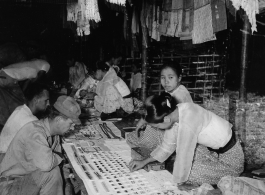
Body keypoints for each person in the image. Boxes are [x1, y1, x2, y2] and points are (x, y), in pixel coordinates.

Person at [129, 93, 244, 190]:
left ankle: (228, 175)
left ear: (165, 119)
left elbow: (184, 156)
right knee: (180, 162)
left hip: (230, 160)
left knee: (189, 173)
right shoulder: (176, 112)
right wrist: (144, 162)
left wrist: (181, 181)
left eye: (158, 126)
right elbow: (167, 147)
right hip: (212, 152)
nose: (158, 129)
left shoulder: (188, 121)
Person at [0, 95, 81, 195]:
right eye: (71, 123)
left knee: (74, 180)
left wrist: (67, 179)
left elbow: (58, 163)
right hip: (9, 185)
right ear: (59, 119)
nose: (72, 128)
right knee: (53, 173)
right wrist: (60, 157)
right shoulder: (35, 133)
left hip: (27, 178)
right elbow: (46, 165)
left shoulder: (53, 134)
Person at [127, 63, 193, 151]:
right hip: (172, 126)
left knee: (152, 127)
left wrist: (148, 121)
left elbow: (169, 120)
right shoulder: (172, 90)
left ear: (179, 78)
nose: (166, 81)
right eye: (163, 77)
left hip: (181, 132)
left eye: (170, 77)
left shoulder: (180, 95)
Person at [0, 83, 50, 156]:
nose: (48, 104)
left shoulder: (20, 108)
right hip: (6, 157)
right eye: (46, 100)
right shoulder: (32, 120)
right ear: (36, 100)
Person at [0, 59, 50, 130]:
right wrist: (23, 95)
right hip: (7, 78)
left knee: (12, 102)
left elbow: (27, 82)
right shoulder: (41, 68)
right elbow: (30, 82)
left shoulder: (34, 65)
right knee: (17, 104)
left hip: (4, 75)